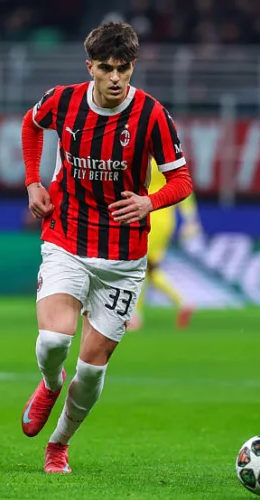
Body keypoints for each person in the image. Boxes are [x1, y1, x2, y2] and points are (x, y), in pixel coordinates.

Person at [19, 21, 193, 474]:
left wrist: (150, 201)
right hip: (67, 238)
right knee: (53, 341)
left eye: (124, 68)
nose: (115, 78)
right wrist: (33, 181)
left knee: (92, 370)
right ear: (90, 67)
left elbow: (181, 180)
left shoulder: (152, 115)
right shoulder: (63, 101)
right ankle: (50, 384)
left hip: (122, 258)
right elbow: (31, 124)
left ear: (133, 67)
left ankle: (58, 445)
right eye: (106, 68)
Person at [127, 158, 201, 331]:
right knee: (150, 268)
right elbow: (183, 185)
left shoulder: (144, 157)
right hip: (165, 218)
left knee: (141, 264)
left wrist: (191, 220)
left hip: (150, 215)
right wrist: (190, 219)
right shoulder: (168, 157)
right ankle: (183, 302)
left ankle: (135, 314)